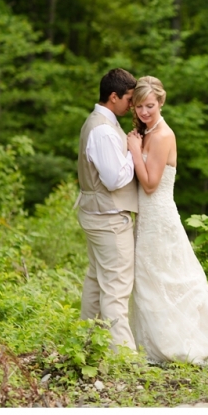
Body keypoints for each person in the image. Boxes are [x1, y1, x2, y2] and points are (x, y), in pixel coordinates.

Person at [125, 76, 208, 364]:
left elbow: (150, 184)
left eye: (149, 105)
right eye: (139, 107)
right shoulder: (146, 131)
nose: (144, 112)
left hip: (160, 216)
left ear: (161, 102)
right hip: (146, 218)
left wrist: (135, 152)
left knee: (164, 278)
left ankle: (174, 340)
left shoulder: (162, 135)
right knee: (149, 279)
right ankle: (148, 340)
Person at [75, 68, 138, 352]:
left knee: (96, 280)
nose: (132, 105)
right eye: (129, 99)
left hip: (98, 214)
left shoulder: (102, 123)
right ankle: (122, 356)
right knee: (116, 286)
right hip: (108, 217)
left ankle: (87, 344)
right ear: (113, 97)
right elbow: (114, 179)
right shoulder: (102, 129)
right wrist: (133, 154)